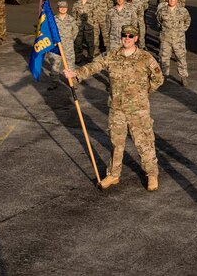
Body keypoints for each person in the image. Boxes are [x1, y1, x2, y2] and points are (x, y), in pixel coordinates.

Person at [65, 25, 164, 190]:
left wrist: (144, 92)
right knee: (116, 143)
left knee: (144, 142)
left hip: (138, 110)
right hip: (117, 108)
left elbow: (158, 78)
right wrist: (76, 73)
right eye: (124, 35)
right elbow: (94, 66)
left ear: (136, 38)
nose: (127, 38)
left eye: (130, 36)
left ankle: (152, 174)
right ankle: (113, 174)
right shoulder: (112, 55)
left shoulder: (145, 57)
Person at [156, 0, 191, 85]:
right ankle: (164, 76)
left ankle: (183, 77)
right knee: (164, 58)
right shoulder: (162, 11)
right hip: (165, 39)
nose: (172, 0)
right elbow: (159, 22)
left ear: (177, 0)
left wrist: (182, 30)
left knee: (181, 58)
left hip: (178, 39)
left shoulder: (183, 11)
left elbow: (187, 21)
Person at [46, 1, 77, 90]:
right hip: (56, 47)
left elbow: (75, 31)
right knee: (55, 65)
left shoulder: (71, 19)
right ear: (58, 8)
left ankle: (72, 83)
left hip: (68, 47)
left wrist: (70, 40)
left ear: (67, 9)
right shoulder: (53, 20)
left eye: (64, 7)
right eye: (61, 7)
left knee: (70, 65)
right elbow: (49, 32)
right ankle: (54, 83)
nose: (63, 9)